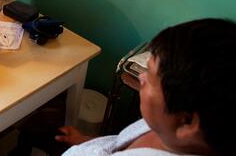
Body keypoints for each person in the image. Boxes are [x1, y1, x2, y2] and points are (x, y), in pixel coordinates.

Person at [55, 18, 236, 155]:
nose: (141, 77)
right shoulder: (167, 128)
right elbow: (121, 143)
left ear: (186, 122)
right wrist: (87, 141)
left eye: (150, 76)